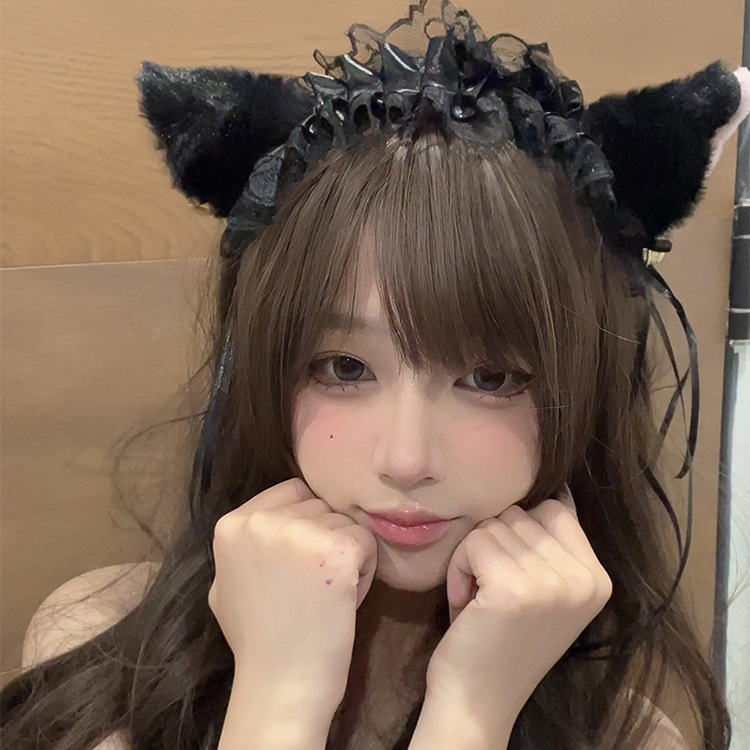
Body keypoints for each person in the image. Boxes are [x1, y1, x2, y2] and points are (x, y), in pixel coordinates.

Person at [3, 1, 749, 748]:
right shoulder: (99, 658)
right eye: (345, 367)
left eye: (491, 378)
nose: (406, 460)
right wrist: (280, 695)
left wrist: (471, 710)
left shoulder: (629, 736)